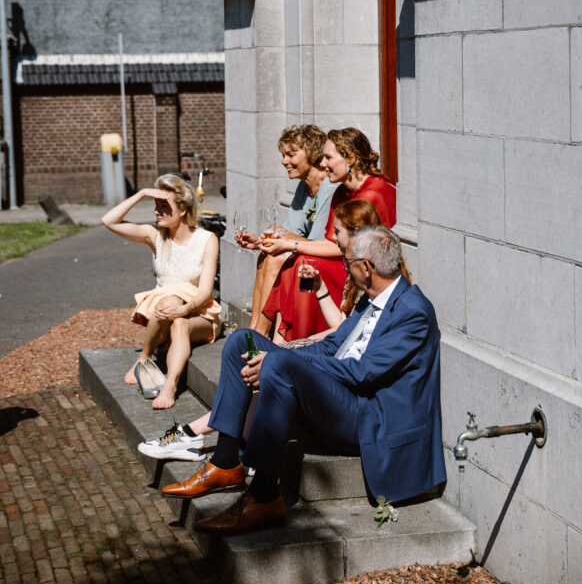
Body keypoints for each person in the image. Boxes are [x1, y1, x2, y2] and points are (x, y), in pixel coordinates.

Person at [159, 225, 445, 536]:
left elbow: (362, 372)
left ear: (367, 267)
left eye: (348, 263)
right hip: (338, 395)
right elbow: (334, 346)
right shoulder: (370, 299)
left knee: (281, 364)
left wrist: (283, 361)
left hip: (366, 417)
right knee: (243, 340)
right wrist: (281, 351)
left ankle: (264, 498)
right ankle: (226, 461)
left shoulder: (412, 312)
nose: (345, 271)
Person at [137, 199, 387, 460]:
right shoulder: (356, 274)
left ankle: (195, 436)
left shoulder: (373, 283)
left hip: (340, 386)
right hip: (330, 359)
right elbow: (342, 329)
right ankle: (232, 453)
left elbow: (348, 348)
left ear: (357, 235)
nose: (332, 238)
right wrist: (320, 290)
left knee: (262, 370)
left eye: (337, 232)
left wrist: (294, 350)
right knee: (242, 343)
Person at [261, 128, 396, 342]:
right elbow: (331, 240)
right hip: (345, 259)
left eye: (328, 157)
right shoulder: (341, 191)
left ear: (350, 159)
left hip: (364, 269)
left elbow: (358, 250)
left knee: (302, 263)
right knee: (296, 263)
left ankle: (297, 339)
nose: (323, 164)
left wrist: (292, 246)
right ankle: (280, 340)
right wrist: (290, 246)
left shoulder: (372, 194)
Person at [101, 175, 221, 409]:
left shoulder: (207, 239)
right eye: (156, 206)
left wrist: (183, 309)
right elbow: (109, 220)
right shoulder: (154, 236)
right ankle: (144, 357)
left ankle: (169, 386)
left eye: (164, 207)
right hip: (163, 313)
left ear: (183, 209)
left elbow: (206, 291)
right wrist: (142, 194)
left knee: (177, 317)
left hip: (200, 313)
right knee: (170, 307)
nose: (157, 212)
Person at [235, 124, 334, 334]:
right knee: (265, 256)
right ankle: (254, 329)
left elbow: (316, 242)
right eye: (283, 155)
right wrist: (259, 243)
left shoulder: (329, 187)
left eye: (291, 154)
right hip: (306, 253)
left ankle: (259, 335)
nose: (284, 161)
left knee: (275, 259)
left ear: (313, 153)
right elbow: (289, 232)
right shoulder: (304, 187)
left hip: (329, 261)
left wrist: (284, 235)